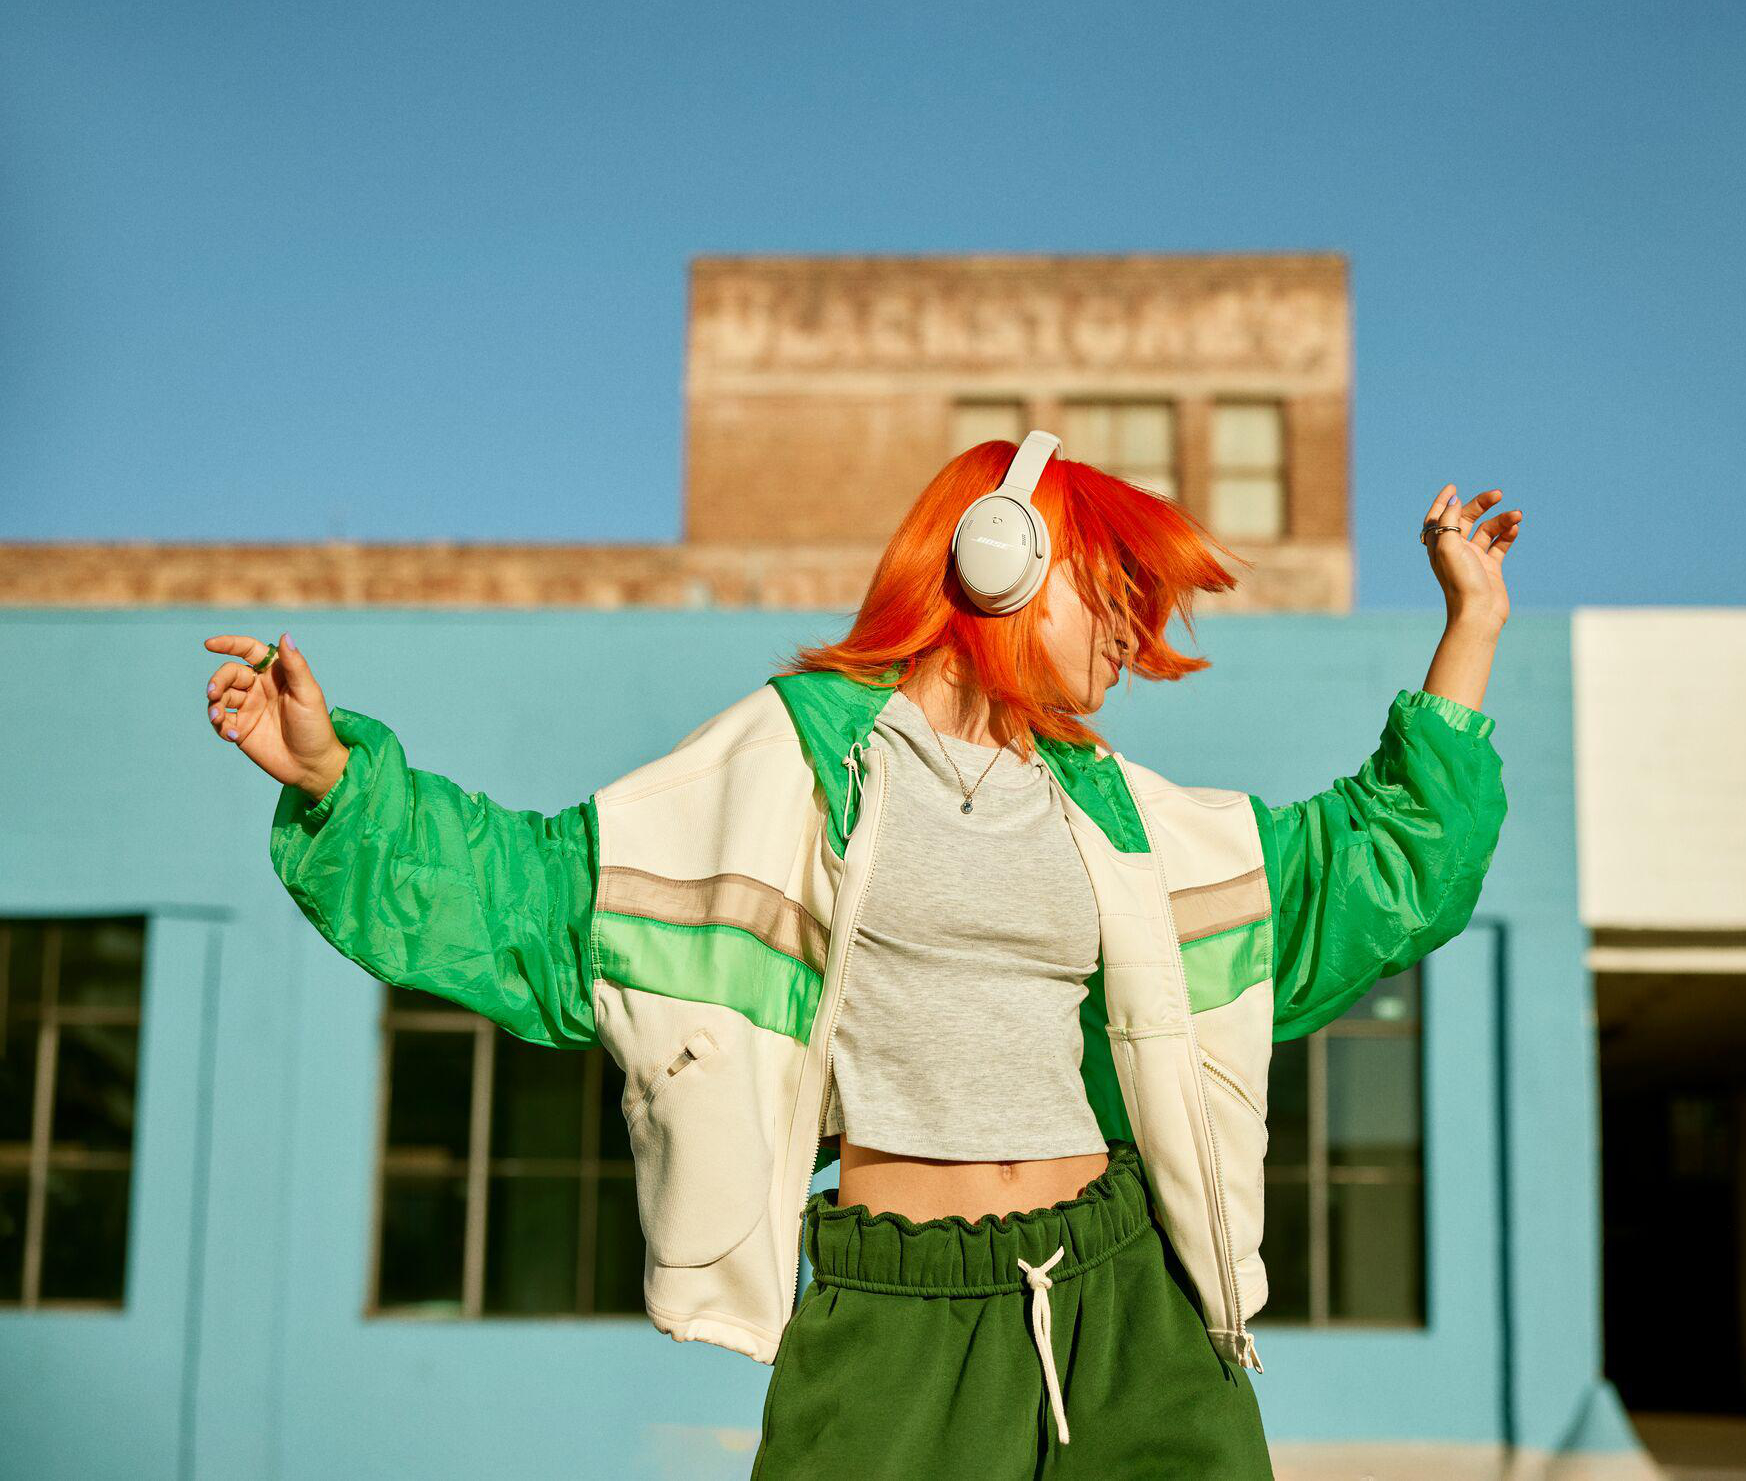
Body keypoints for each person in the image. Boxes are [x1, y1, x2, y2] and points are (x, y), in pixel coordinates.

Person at [202, 436, 1518, 1478]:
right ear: (999, 558)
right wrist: (334, 780)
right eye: (1110, 589)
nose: (1131, 631)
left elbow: (1366, 872)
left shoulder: (1126, 816)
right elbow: (540, 896)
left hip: (1131, 1299)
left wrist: (1470, 627)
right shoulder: (788, 768)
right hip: (896, 1316)